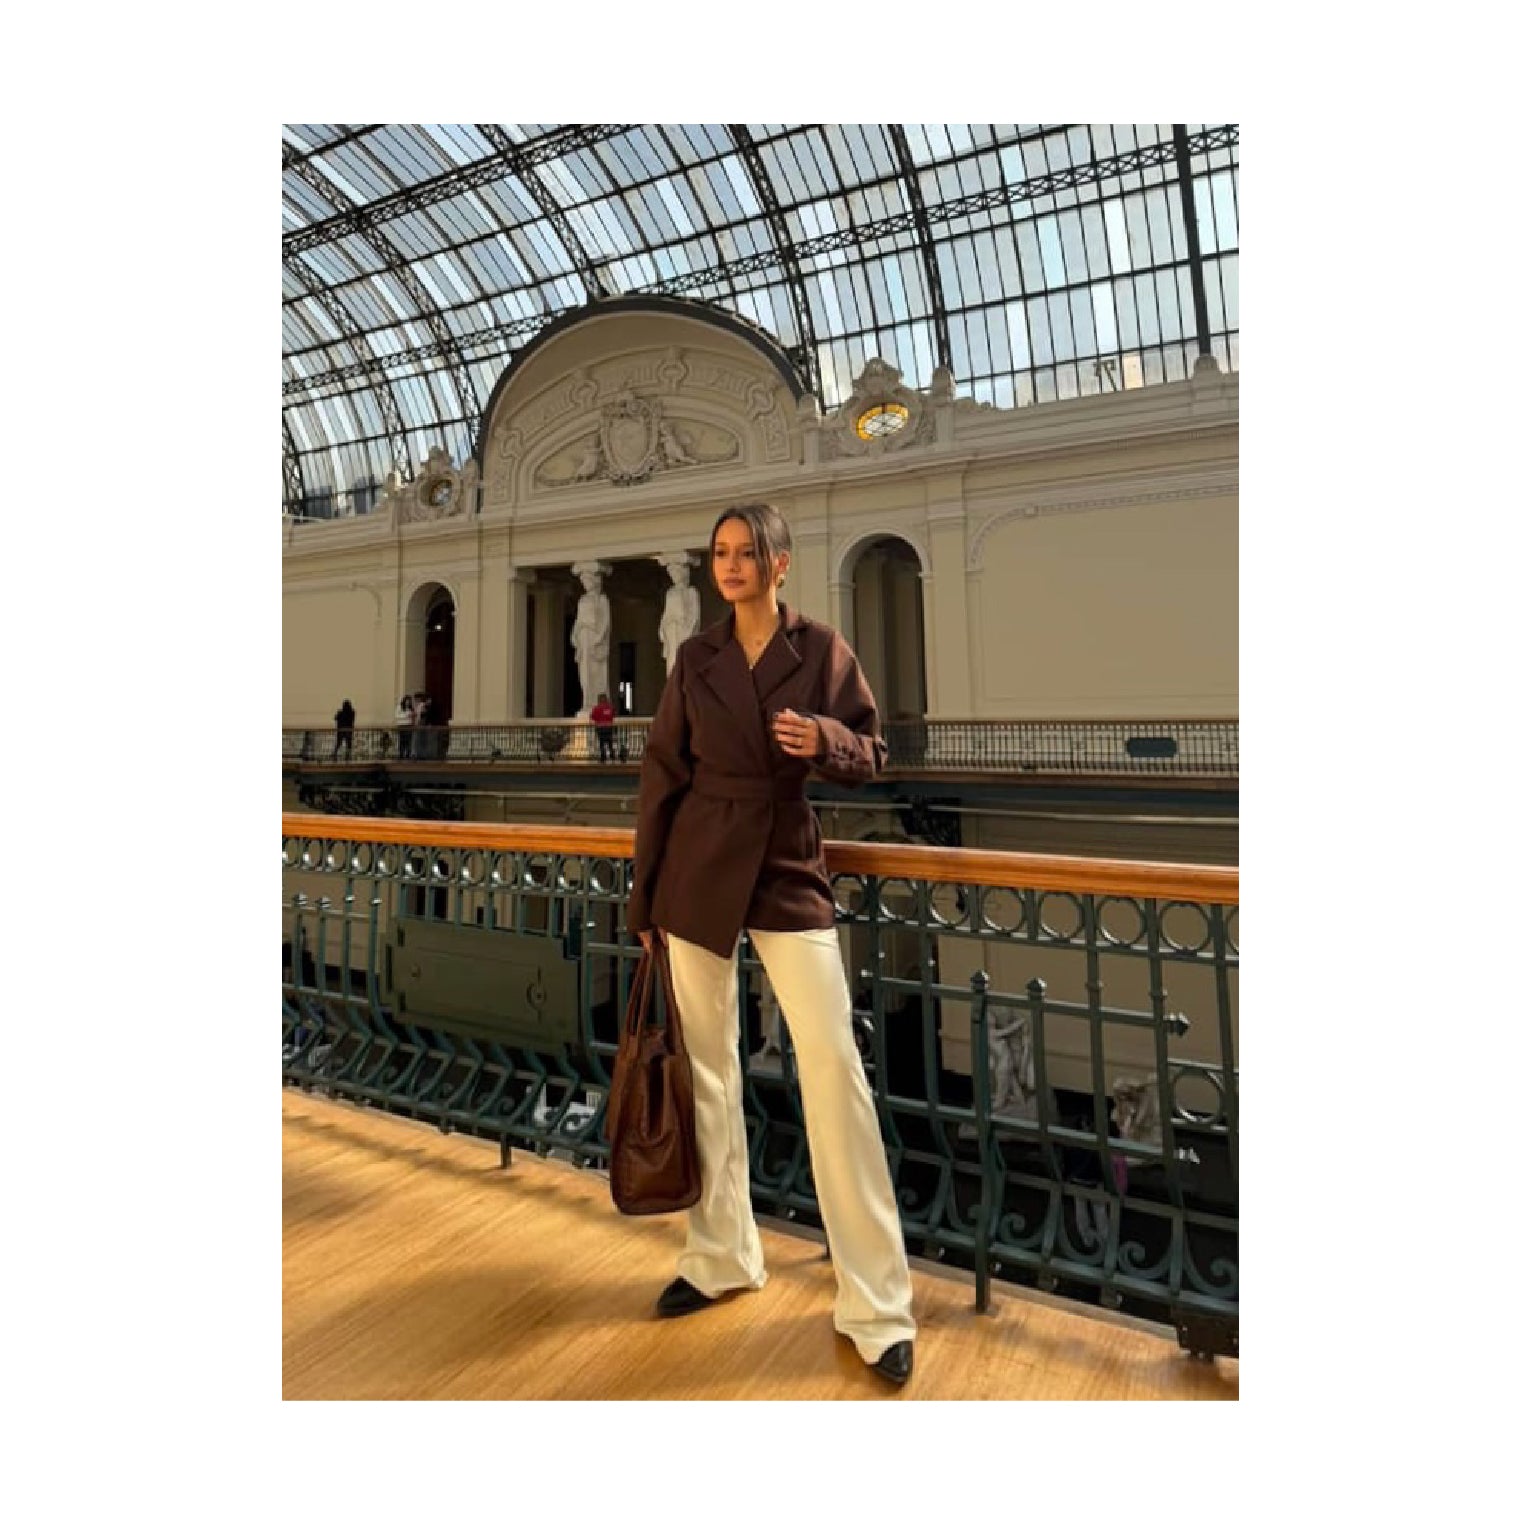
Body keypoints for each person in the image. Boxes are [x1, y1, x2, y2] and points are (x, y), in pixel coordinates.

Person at [627, 500, 917, 1388]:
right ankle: (720, 1254)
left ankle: (877, 1306)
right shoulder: (694, 657)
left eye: (746, 552)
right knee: (706, 1071)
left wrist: (821, 738)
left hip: (787, 864)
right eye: (720, 552)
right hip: (695, 870)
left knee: (833, 1069)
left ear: (779, 563)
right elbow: (662, 774)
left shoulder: (820, 649)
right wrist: (644, 897)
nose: (730, 564)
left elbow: (872, 748)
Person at [590, 691, 617, 763]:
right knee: (610, 742)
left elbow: (593, 717)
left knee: (602, 743)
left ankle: (603, 758)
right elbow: (613, 715)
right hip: (609, 727)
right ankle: (612, 757)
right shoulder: (610, 707)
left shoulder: (596, 708)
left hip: (600, 727)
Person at [394, 694, 413, 759]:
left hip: (409, 725)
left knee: (408, 741)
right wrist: (406, 715)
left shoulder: (410, 708)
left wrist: (411, 716)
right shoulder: (399, 707)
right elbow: (397, 716)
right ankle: (401, 754)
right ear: (404, 701)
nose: (408, 703)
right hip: (401, 725)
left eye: (409, 701)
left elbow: (411, 716)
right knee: (402, 740)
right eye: (407, 701)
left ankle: (408, 754)